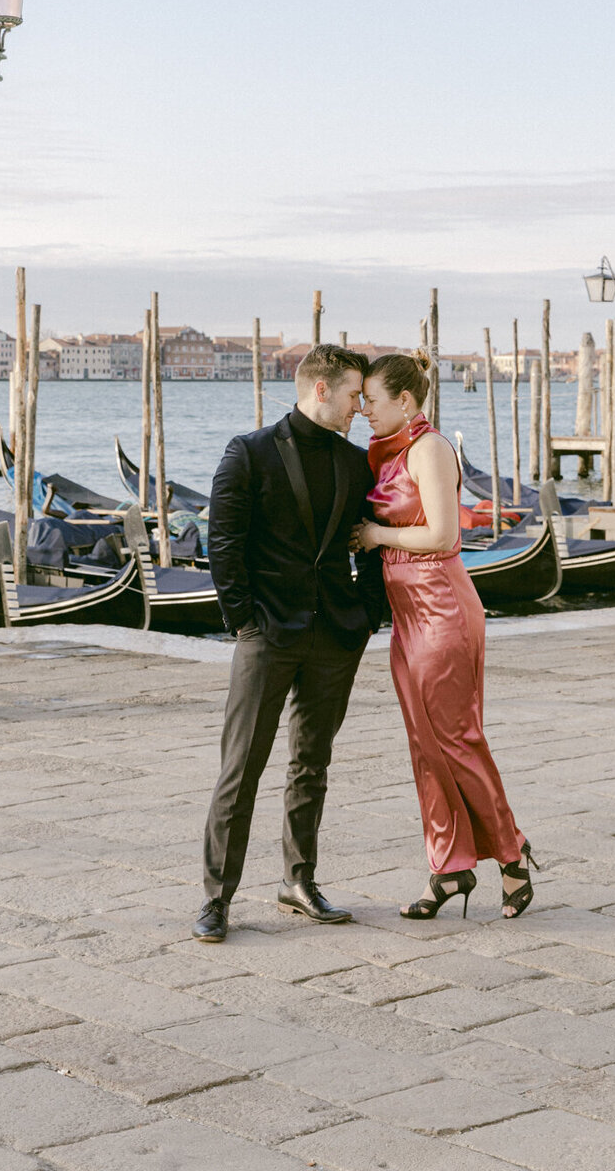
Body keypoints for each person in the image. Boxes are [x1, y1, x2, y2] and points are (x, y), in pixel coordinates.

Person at [194, 343, 384, 944]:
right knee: (241, 768)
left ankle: (298, 881)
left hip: (335, 633)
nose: (361, 406)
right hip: (266, 633)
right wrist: (243, 621)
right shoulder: (247, 453)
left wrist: (369, 614)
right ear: (321, 389)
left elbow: (369, 543)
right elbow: (223, 544)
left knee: (312, 764)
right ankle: (216, 898)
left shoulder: (357, 464)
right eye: (355, 394)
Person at [350, 351, 538, 920]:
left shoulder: (429, 449)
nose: (363, 412)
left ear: (404, 402)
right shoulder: (386, 454)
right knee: (424, 746)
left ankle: (511, 855)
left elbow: (442, 533)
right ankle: (449, 866)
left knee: (457, 740)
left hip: (441, 611)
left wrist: (376, 534)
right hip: (408, 618)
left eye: (372, 402)